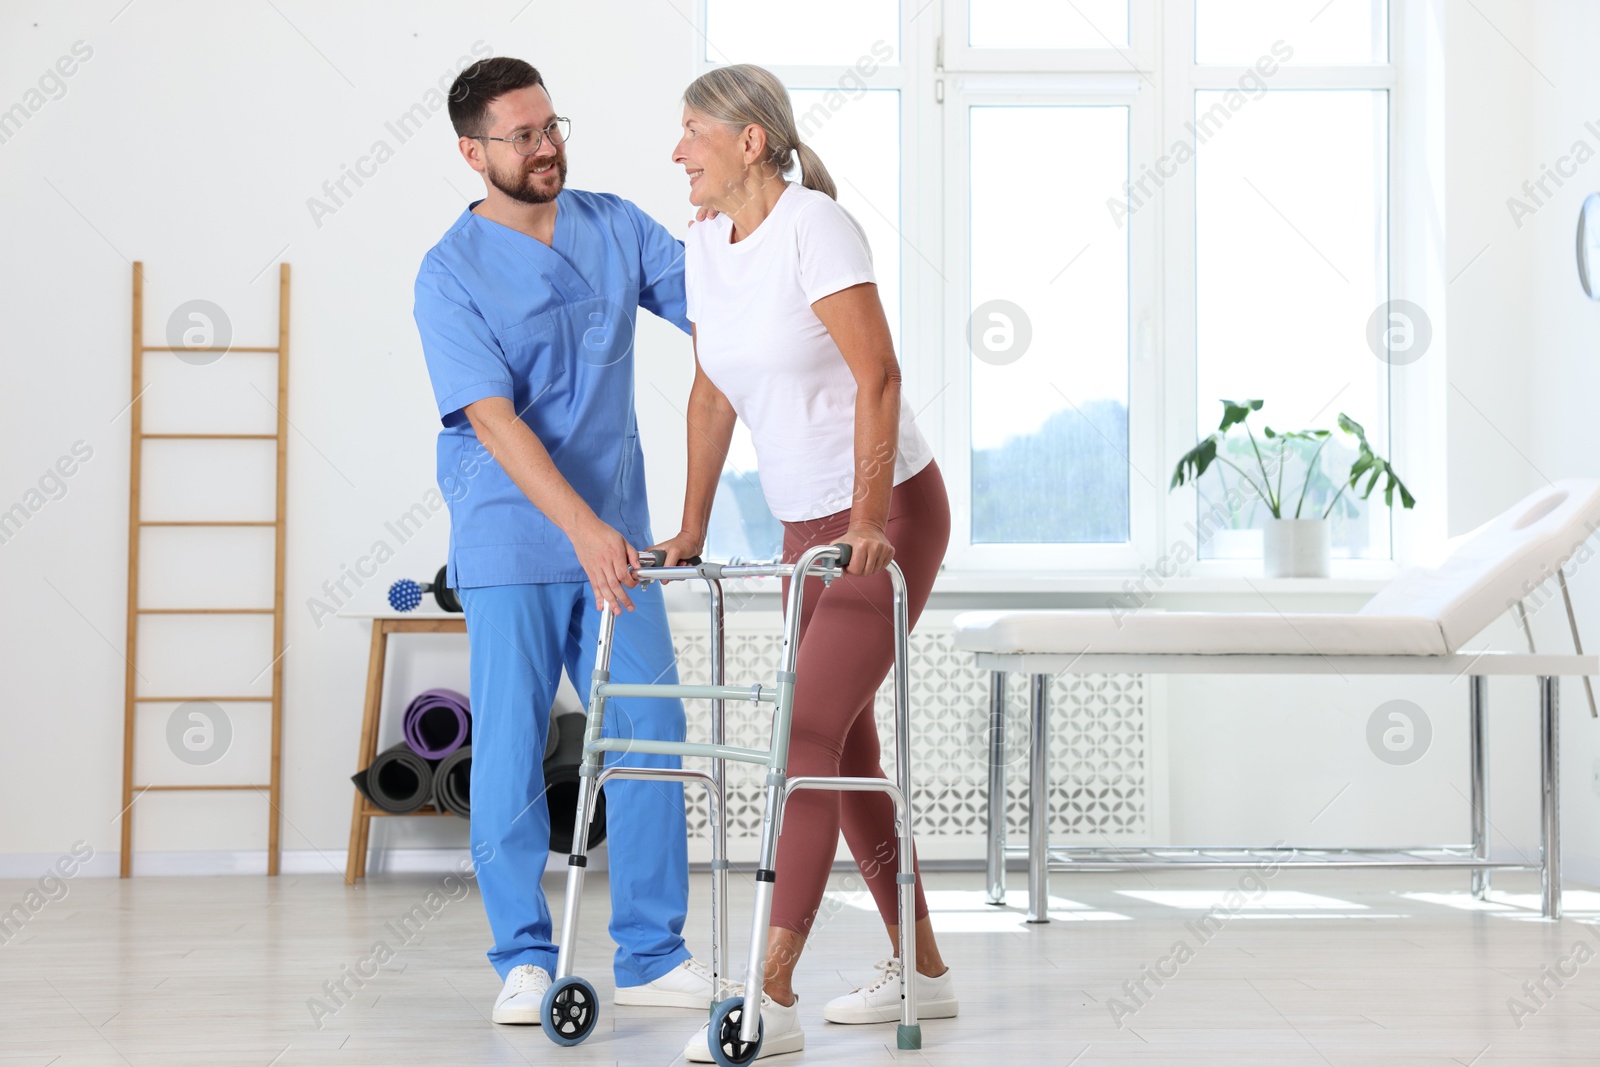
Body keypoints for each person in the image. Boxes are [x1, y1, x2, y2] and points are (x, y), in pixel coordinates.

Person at [654, 64, 958, 1061]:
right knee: (845, 750)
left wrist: (869, 516)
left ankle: (767, 993)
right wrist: (690, 526)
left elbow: (879, 373)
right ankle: (923, 969)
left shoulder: (814, 227)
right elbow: (710, 398)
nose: (676, 150)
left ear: (749, 140)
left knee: (806, 733)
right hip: (800, 527)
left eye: (692, 129)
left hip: (887, 516)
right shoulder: (706, 246)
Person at [412, 56, 714, 1025]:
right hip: (510, 533)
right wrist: (582, 528)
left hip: (616, 534)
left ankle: (652, 951)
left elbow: (720, 304)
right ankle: (523, 958)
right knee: (507, 745)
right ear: (472, 152)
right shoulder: (448, 273)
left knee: (649, 730)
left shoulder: (613, 224)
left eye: (552, 127)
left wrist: (777, 225)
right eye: (523, 135)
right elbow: (493, 420)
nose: (547, 147)